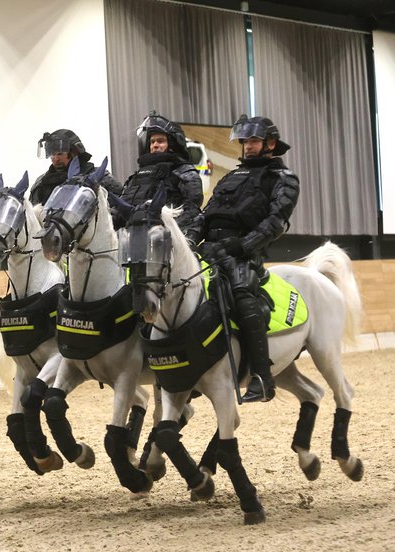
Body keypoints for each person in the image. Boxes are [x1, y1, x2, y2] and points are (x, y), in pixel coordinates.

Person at [198, 115, 300, 403]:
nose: (247, 147)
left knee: (242, 294)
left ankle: (262, 377)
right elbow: (207, 215)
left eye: (253, 141)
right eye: (245, 142)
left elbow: (275, 222)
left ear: (270, 143)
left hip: (245, 254)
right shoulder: (231, 177)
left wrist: (241, 246)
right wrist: (191, 238)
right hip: (211, 250)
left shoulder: (283, 179)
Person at [115, 111, 203, 245]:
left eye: (160, 141)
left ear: (173, 144)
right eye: (152, 142)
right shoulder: (137, 175)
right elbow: (122, 207)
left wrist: (167, 229)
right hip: (129, 239)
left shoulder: (184, 171)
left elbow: (192, 209)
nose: (154, 145)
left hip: (163, 241)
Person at [30, 128, 123, 207]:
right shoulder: (41, 184)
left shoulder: (98, 177)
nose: (55, 159)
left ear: (75, 152)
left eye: (60, 154)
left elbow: (119, 208)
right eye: (52, 155)